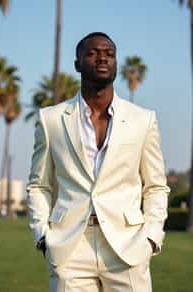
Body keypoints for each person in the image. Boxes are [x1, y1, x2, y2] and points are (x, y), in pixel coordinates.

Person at [27, 32, 170, 292]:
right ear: (78, 64)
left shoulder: (143, 119)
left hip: (128, 247)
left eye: (109, 54)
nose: (102, 58)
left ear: (115, 63)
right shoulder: (51, 119)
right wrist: (43, 237)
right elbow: (39, 185)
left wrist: (150, 238)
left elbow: (156, 186)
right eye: (93, 53)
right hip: (70, 247)